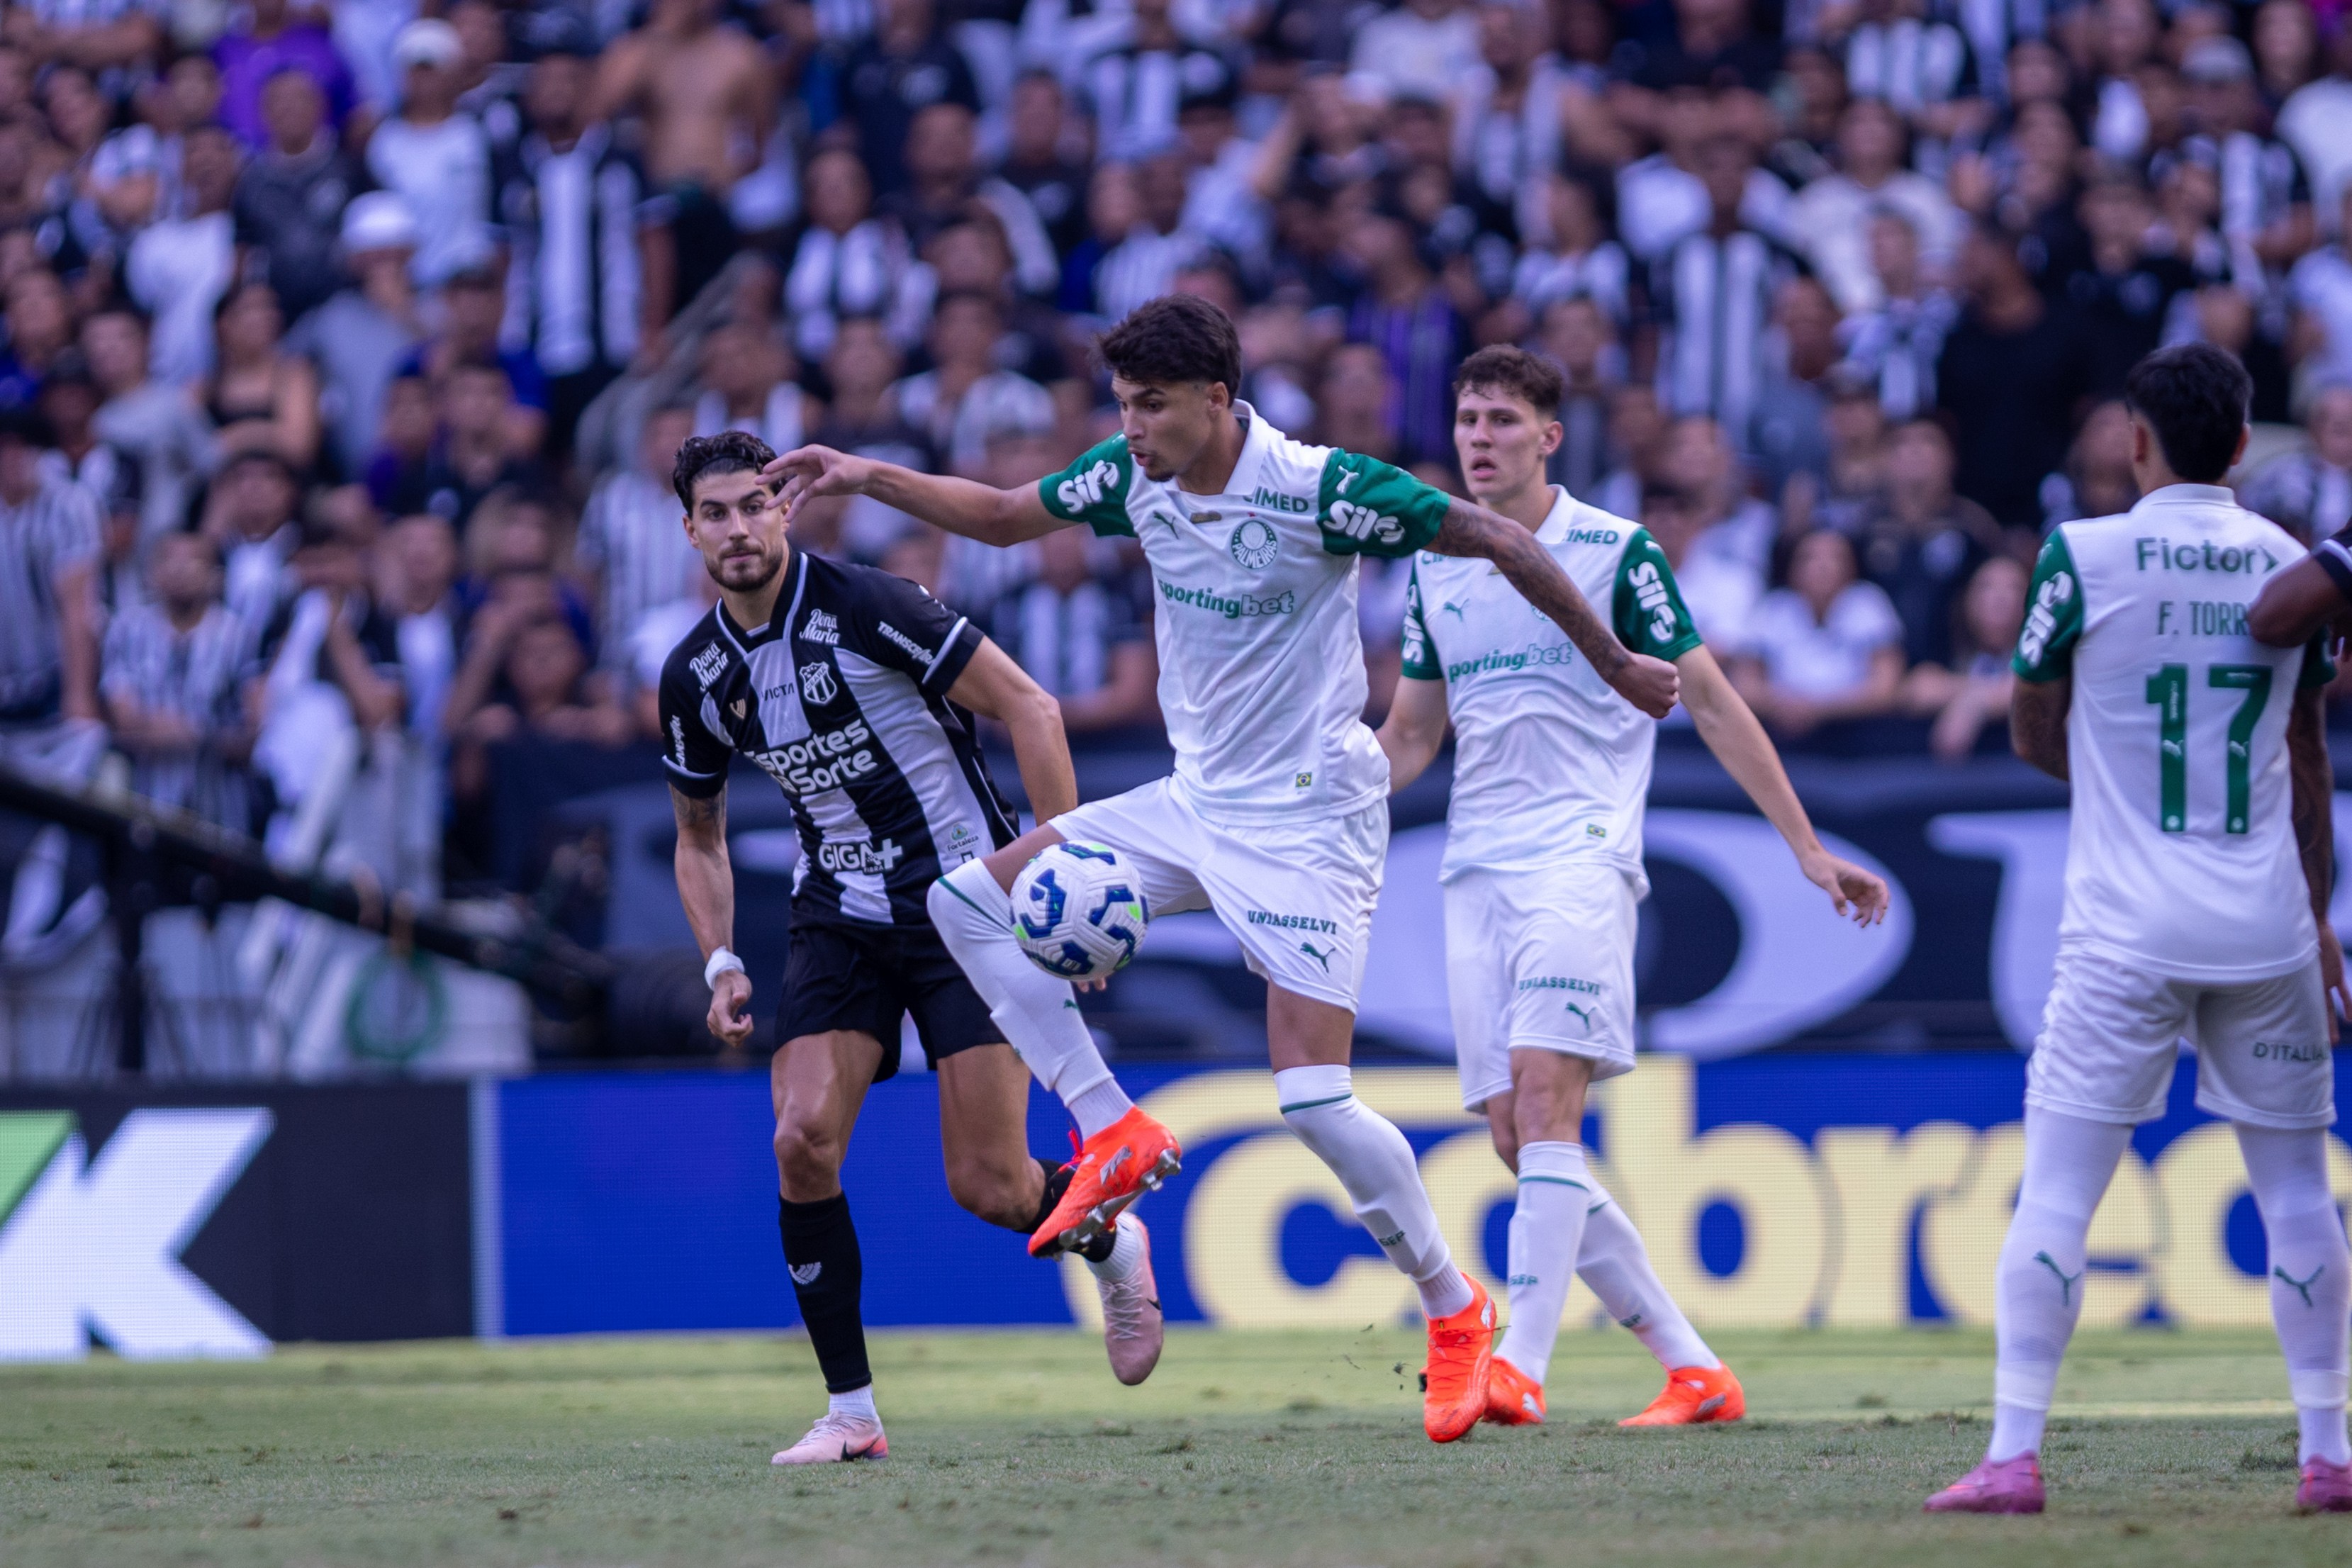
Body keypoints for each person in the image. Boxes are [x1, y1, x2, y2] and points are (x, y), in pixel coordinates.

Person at [771, 294, 1681, 1445]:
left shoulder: (1320, 489)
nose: (1130, 427)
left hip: (1310, 821)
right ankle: (1110, 1126)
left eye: (1149, 405)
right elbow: (1003, 515)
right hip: (1195, 801)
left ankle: (1452, 1305)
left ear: (1215, 397)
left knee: (1312, 1101)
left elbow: (1500, 538)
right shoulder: (1131, 475)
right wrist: (861, 474)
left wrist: (1608, 660)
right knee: (966, 900)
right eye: (1119, 405)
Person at [1373, 345, 1888, 1429]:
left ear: (1549, 438)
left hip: (1580, 854)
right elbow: (1413, 735)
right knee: (1518, 1135)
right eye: (1467, 418)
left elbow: (1708, 699)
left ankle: (1517, 1362)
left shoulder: (1616, 552)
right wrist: (1326, 805)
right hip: (1474, 870)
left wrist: (1802, 847)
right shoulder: (1433, 563)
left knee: (1550, 1106)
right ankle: (1693, 1369)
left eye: (1503, 420)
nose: (1478, 438)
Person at [656, 430, 1165, 1466]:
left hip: (964, 911)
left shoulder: (871, 605)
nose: (740, 527)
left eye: (756, 503)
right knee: (799, 1141)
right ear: (690, 530)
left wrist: (1055, 875)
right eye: (717, 513)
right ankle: (852, 1414)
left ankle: (1108, 1243)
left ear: (785, 508)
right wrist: (718, 958)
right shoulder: (696, 675)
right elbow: (698, 835)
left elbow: (1032, 706)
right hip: (835, 916)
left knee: (987, 1187)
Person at [1929, 343, 2352, 1516]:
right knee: (2296, 1192)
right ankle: (2326, 1451)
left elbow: (2025, 725)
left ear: (2131, 440)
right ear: (2238, 443)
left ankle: (2012, 1453)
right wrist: (2316, 924)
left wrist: (2112, 779)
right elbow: (2307, 753)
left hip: (2122, 928)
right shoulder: (2287, 562)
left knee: (2058, 1192)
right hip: (2265, 921)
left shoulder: (2079, 555)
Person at [99, 530, 252, 829]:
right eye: (170, 560)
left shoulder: (239, 637)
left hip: (215, 806)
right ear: (152, 572)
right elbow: (122, 718)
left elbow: (249, 733)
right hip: (138, 798)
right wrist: (199, 731)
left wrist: (194, 734)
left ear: (216, 577)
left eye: (194, 561)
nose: (181, 569)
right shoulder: (127, 628)